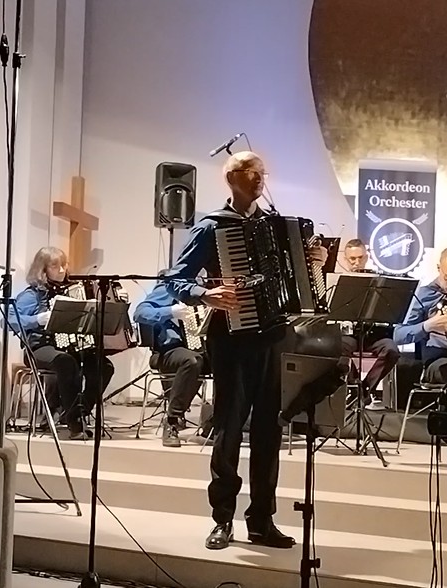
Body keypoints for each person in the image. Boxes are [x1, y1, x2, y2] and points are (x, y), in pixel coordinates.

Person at [166, 150, 326, 550]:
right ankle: (222, 519)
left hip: (274, 337)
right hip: (231, 339)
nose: (259, 178)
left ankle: (261, 520)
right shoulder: (212, 227)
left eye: (262, 172)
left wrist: (315, 262)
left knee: (270, 431)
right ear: (232, 178)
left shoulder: (277, 225)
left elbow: (301, 278)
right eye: (250, 172)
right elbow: (175, 279)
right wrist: (205, 294)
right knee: (228, 428)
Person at [8, 247, 114, 440]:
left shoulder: (73, 290)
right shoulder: (32, 295)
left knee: (103, 366)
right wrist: (37, 319)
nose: (62, 270)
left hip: (70, 348)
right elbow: (7, 320)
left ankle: (77, 410)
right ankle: (75, 424)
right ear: (43, 269)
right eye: (55, 266)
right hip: (39, 348)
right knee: (66, 362)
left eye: (64, 265)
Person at [133, 272, 205, 447]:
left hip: (197, 350)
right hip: (167, 351)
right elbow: (140, 313)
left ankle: (215, 423)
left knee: (228, 362)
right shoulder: (170, 286)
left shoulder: (204, 289)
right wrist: (171, 312)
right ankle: (172, 421)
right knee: (192, 361)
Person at [393, 248, 447, 387]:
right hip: (437, 360)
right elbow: (398, 335)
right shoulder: (422, 295)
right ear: (439, 268)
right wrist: (428, 326)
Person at [339, 238, 400, 409]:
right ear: (345, 259)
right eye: (352, 259)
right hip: (351, 335)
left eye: (361, 258)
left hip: (374, 335)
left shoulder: (380, 282)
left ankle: (364, 389)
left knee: (391, 350)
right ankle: (354, 387)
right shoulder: (339, 282)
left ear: (367, 257)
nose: (357, 262)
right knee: (340, 347)